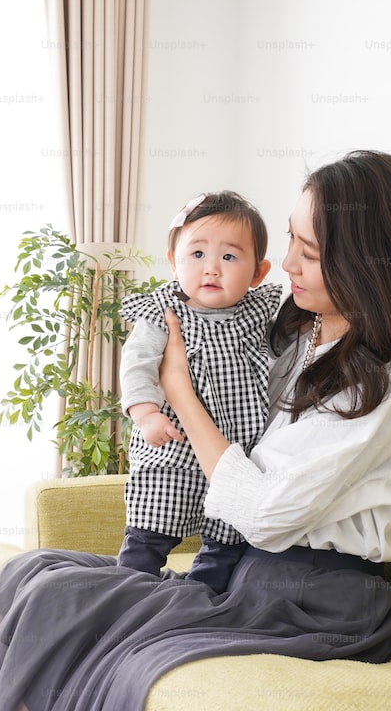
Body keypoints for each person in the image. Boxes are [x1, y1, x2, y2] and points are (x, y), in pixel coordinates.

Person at [0, 150, 391, 711]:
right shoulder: (301, 337)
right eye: (291, 239)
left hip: (316, 604)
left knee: (55, 599)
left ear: (368, 264)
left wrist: (179, 391)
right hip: (246, 575)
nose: (287, 264)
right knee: (29, 570)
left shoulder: (388, 384)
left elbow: (265, 514)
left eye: (309, 253)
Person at [117, 190, 282, 593]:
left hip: (235, 457)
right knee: (149, 532)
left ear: (258, 273)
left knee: (226, 542)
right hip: (172, 452)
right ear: (173, 262)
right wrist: (146, 413)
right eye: (197, 254)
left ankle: (201, 597)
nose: (211, 268)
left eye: (229, 257)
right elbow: (137, 363)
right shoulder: (163, 313)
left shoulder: (260, 314)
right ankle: (127, 591)